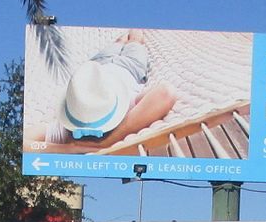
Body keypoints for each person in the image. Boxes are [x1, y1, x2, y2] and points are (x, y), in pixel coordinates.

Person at [26, 29, 177, 152]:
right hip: (130, 66)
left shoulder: (66, 130)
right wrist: (69, 149)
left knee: (127, 39)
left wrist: (103, 143)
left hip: (97, 66)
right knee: (134, 41)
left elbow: (24, 142)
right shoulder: (124, 109)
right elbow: (166, 93)